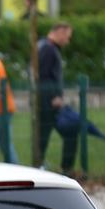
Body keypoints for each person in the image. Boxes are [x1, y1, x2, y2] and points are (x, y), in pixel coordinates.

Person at [37, 22, 76, 175]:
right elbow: (44, 75)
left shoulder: (44, 46)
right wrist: (54, 96)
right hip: (49, 104)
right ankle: (64, 169)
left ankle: (45, 166)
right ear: (59, 32)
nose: (68, 40)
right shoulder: (48, 48)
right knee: (46, 136)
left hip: (47, 103)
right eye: (67, 36)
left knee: (45, 137)